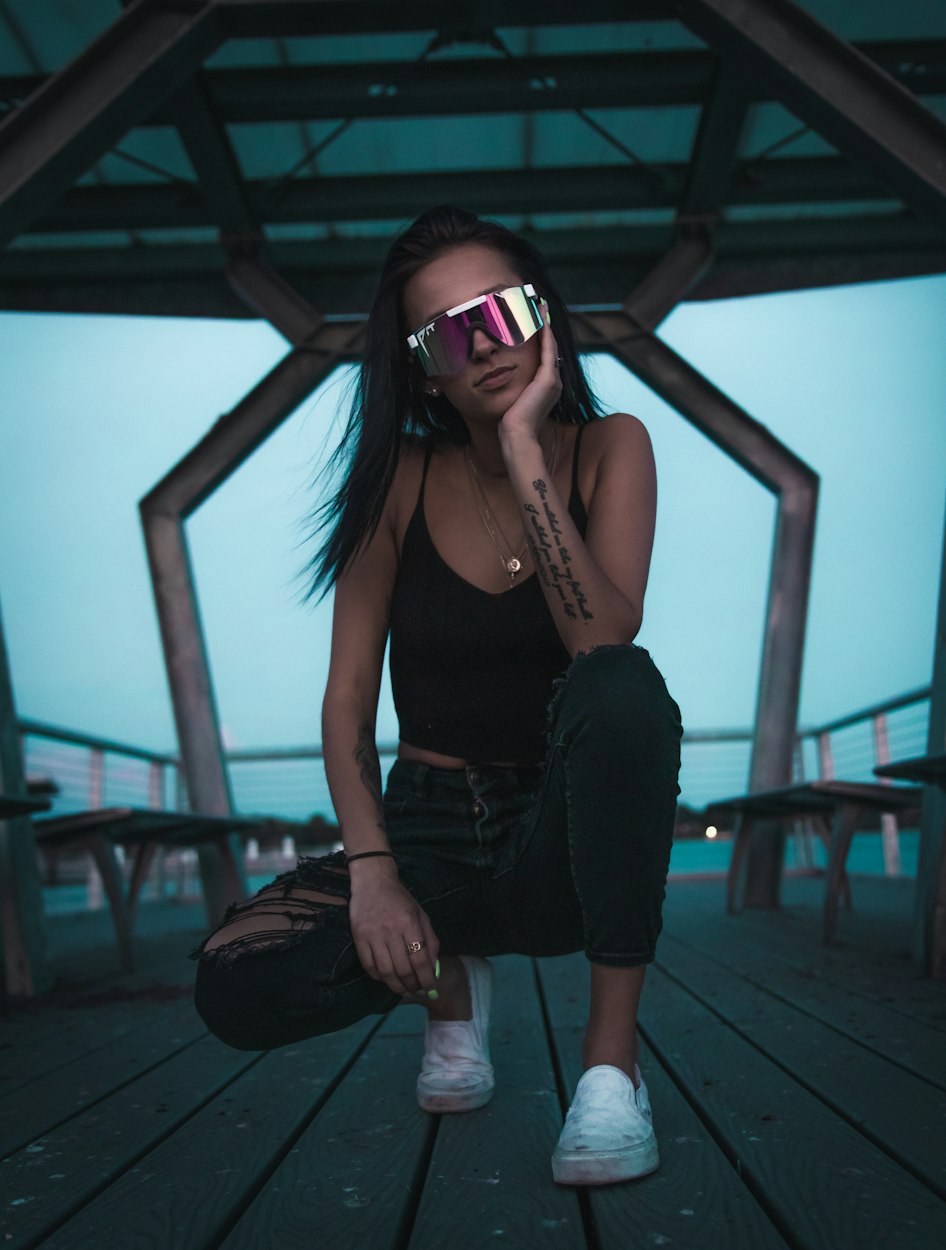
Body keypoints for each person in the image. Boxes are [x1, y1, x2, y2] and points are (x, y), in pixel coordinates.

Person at [188, 204, 684, 1187]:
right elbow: (344, 707)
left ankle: (609, 1068)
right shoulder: (398, 482)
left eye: (503, 312)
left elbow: (597, 636)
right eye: (449, 333)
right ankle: (450, 980)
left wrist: (525, 449)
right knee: (235, 983)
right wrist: (373, 873)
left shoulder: (611, 444)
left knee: (623, 686)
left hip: (560, 841)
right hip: (426, 834)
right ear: (423, 367)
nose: (486, 345)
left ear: (545, 317)